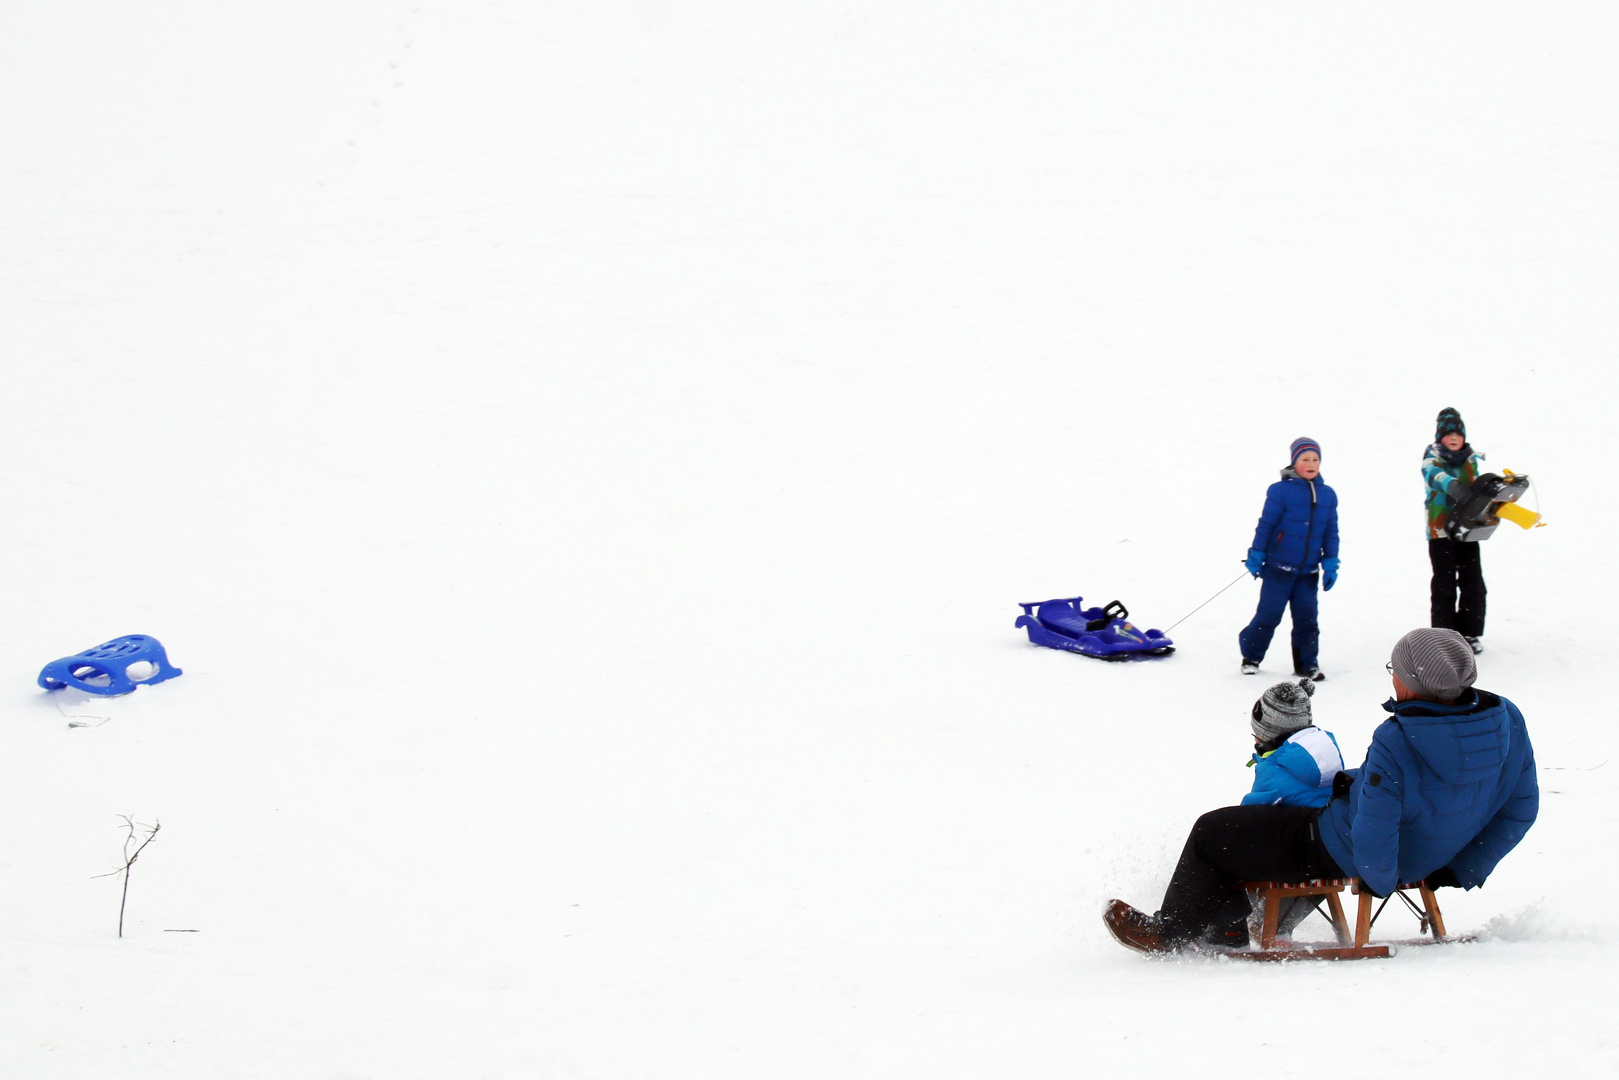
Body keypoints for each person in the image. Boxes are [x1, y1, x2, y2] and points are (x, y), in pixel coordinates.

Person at [1104, 628, 1538, 953]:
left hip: (1338, 845)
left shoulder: (1399, 736)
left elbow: (1374, 827)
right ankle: (1226, 925)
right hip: (1432, 853)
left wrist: (1379, 880)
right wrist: (1460, 867)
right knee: (1263, 823)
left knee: (1214, 831)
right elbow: (1521, 808)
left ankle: (1170, 932)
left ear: (1413, 681)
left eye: (1395, 672)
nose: (1393, 681)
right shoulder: (1506, 718)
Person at [1203, 678, 1346, 947]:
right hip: (1330, 854)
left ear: (1268, 733)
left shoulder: (1274, 770)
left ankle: (1235, 927)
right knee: (1312, 874)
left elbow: (1251, 819)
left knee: (1226, 850)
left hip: (1293, 858)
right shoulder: (1326, 756)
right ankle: (1281, 926)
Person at [1239, 437, 1340, 679]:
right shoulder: (1280, 491)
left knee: (1307, 620)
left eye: (1315, 459)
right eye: (1305, 459)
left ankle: (1307, 664)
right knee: (1269, 615)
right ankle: (1251, 656)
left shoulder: (1327, 495)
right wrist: (1257, 552)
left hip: (1308, 572)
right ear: (1294, 462)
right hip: (1278, 568)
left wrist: (1330, 562)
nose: (1311, 463)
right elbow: (1267, 524)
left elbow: (1331, 530)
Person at [1424, 407, 1488, 654]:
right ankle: (1444, 634)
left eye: (1457, 434)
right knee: (1444, 583)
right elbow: (1432, 474)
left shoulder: (1471, 458)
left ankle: (1470, 632)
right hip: (1440, 531)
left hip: (1467, 529)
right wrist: (1452, 485)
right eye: (1448, 434)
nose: (1453, 438)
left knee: (1473, 582)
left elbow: (1479, 486)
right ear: (1440, 437)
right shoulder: (1432, 456)